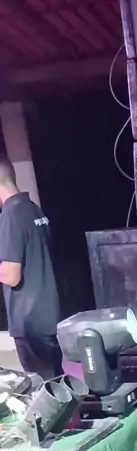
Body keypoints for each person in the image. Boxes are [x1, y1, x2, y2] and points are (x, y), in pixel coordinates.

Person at [0, 156, 62, 379]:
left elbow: (11, 275)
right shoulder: (33, 209)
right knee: (56, 381)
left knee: (43, 388)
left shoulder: (11, 214)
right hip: (47, 314)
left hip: (29, 321)